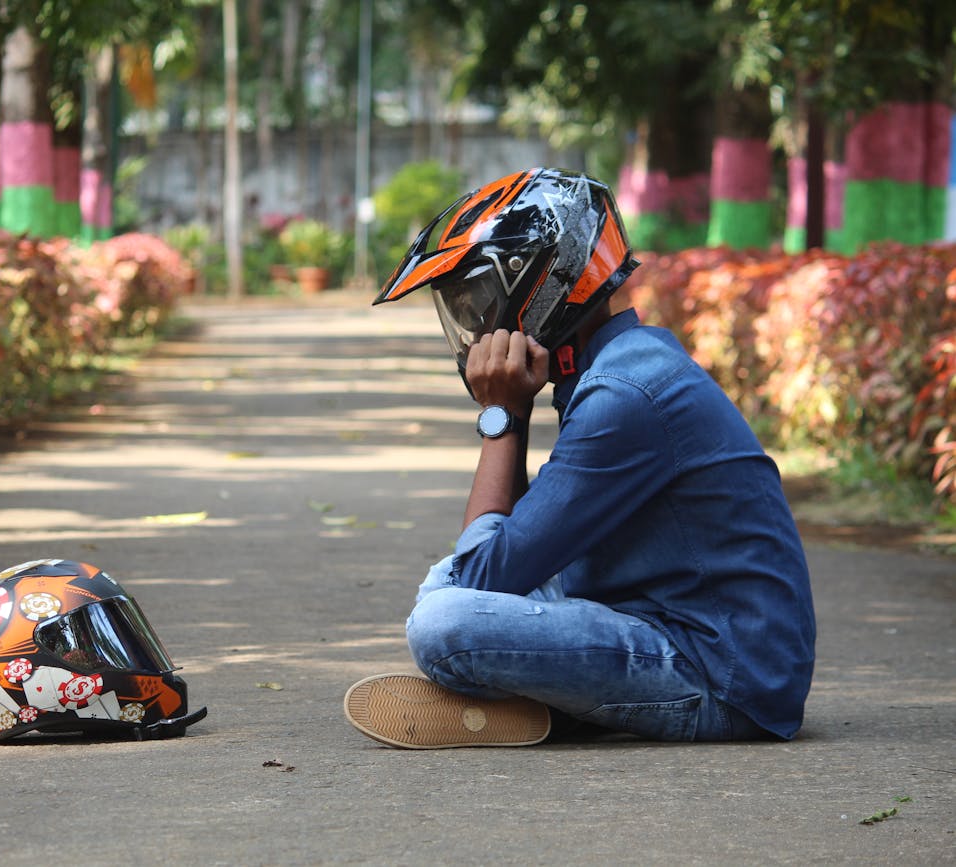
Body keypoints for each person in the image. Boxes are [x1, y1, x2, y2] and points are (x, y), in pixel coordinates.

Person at [343, 167, 816, 748]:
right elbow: (503, 558)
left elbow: (488, 576)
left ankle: (564, 706)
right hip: (683, 625)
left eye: (480, 301)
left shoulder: (624, 395)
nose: (474, 329)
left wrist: (505, 416)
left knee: (444, 623)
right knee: (448, 583)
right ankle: (562, 701)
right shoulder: (619, 367)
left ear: (541, 288)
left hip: (724, 678)